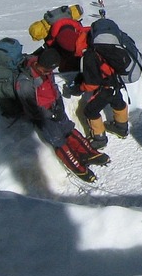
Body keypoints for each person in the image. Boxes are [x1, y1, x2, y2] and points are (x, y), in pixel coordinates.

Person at [14, 47, 104, 181]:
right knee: (57, 139)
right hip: (43, 116)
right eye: (47, 70)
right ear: (40, 65)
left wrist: (59, 106)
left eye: (51, 70)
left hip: (54, 109)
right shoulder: (25, 82)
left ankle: (87, 152)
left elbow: (54, 87)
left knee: (68, 127)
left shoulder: (46, 72)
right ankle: (76, 165)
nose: (49, 73)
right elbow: (31, 109)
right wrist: (49, 114)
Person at [73, 36, 132, 149]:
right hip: (115, 83)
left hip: (105, 89)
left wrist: (79, 88)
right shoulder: (107, 48)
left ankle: (99, 139)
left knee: (90, 111)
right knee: (117, 102)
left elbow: (92, 84)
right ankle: (121, 128)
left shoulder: (91, 55)